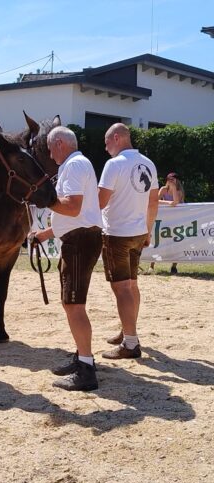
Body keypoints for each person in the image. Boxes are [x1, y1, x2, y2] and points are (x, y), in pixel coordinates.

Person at [28, 126, 102, 391]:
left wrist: (45, 198)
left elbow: (72, 207)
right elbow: (76, 214)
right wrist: (46, 233)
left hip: (79, 241)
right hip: (80, 237)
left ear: (59, 143)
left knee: (74, 305)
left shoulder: (73, 166)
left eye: (50, 147)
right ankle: (83, 357)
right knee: (73, 303)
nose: (49, 153)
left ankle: (86, 369)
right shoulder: (79, 164)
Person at [98, 123, 159, 357]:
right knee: (132, 284)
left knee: (122, 287)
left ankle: (131, 343)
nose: (105, 148)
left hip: (117, 233)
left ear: (116, 138)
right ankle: (128, 330)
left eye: (106, 142)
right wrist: (148, 229)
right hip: (137, 231)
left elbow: (101, 201)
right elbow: (153, 202)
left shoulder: (113, 165)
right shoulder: (149, 163)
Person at [149, 172, 185, 275]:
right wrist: (168, 203)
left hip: (176, 219)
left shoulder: (179, 190)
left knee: (176, 243)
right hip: (163, 219)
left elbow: (176, 201)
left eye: (174, 179)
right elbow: (155, 200)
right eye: (170, 179)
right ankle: (151, 266)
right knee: (157, 241)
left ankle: (174, 267)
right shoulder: (163, 189)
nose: (173, 181)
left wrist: (173, 188)